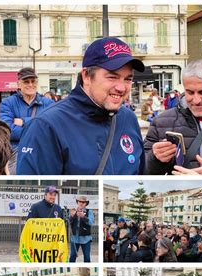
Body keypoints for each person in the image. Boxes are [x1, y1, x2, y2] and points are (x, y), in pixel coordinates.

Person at [17, 37, 145, 175]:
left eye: (128, 79)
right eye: (112, 77)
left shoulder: (128, 118)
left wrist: (157, 162)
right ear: (86, 76)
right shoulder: (46, 126)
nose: (121, 88)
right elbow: (37, 190)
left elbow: (140, 175)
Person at [144, 59, 202, 175]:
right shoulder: (160, 123)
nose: (196, 100)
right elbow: (143, 169)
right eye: (190, 92)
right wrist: (155, 158)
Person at [0, 67, 54, 169]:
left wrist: (24, 121)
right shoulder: (8, 103)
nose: (30, 85)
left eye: (33, 81)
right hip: (17, 154)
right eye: (26, 82)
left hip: (42, 152)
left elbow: (53, 130)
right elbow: (7, 131)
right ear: (19, 84)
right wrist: (39, 127)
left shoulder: (48, 104)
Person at [69, 195, 94, 262]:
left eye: (83, 202)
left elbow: (91, 222)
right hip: (74, 238)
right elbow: (68, 222)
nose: (81, 203)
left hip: (86, 238)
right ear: (77, 202)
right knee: (72, 257)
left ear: (86, 203)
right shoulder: (73, 211)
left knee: (87, 258)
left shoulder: (89, 212)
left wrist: (84, 217)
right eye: (80, 201)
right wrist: (72, 216)